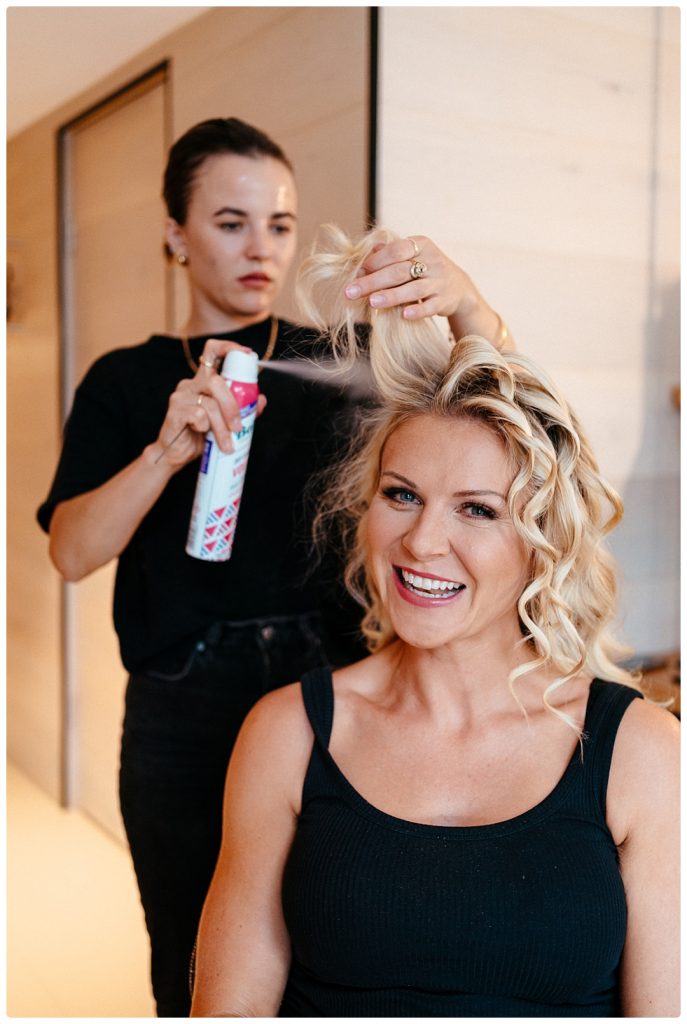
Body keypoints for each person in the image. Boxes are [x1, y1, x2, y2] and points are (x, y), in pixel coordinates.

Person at [36, 119, 513, 1017]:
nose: (261, 247)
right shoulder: (125, 381)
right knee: (190, 957)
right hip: (182, 702)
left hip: (323, 688)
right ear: (175, 234)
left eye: (280, 224)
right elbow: (71, 552)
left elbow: (501, 408)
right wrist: (163, 453)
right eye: (229, 221)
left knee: (321, 944)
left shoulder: (335, 361)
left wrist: (468, 305)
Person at [189, 225, 679, 1018]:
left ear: (539, 543)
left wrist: (473, 313)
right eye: (401, 494)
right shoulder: (286, 734)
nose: (421, 541)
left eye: (477, 510)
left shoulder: (640, 755)